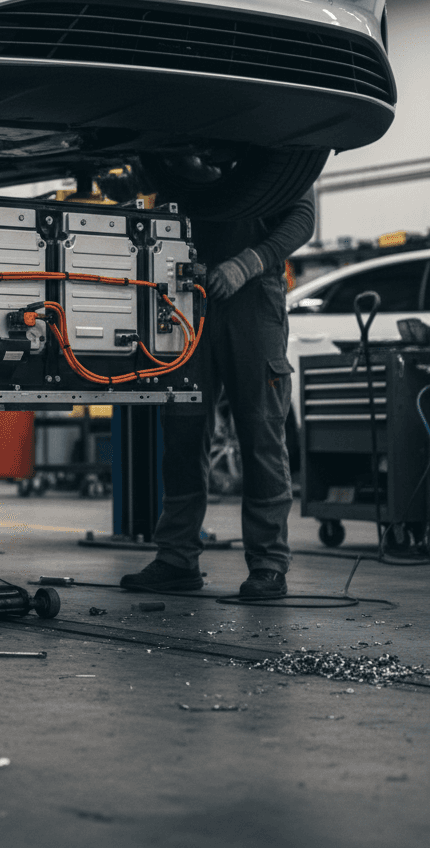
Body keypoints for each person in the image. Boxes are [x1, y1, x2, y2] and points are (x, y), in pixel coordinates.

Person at [120, 187, 316, 599]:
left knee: (261, 429)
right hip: (184, 296)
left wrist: (248, 263)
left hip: (252, 296)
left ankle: (267, 562)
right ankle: (176, 558)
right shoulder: (182, 144)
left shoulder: (276, 137)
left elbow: (301, 218)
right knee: (181, 429)